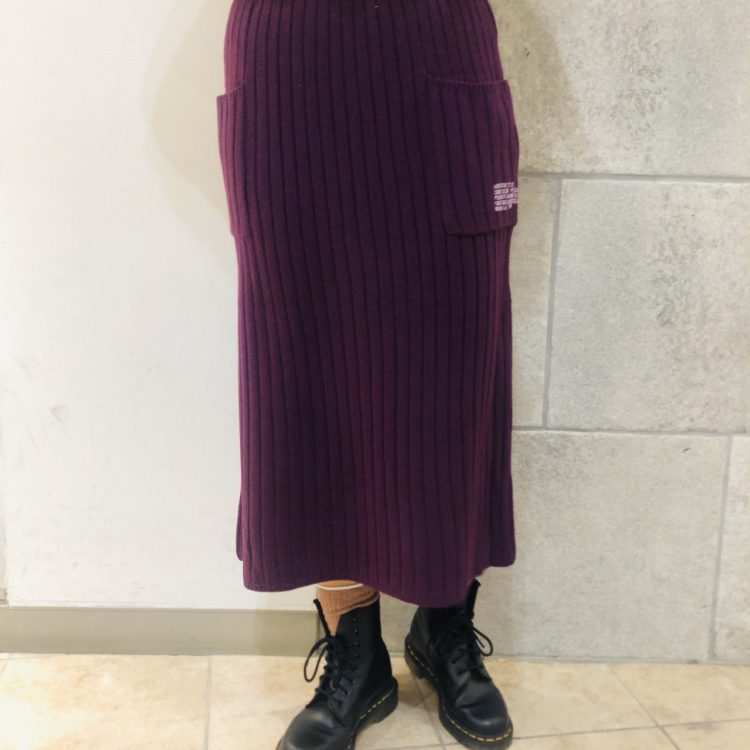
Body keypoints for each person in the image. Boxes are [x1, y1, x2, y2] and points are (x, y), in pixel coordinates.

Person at [215, 1, 520, 747]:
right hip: (290, 68)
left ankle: (444, 628)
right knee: (306, 369)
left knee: (454, 372)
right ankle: (356, 655)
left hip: (439, 56)